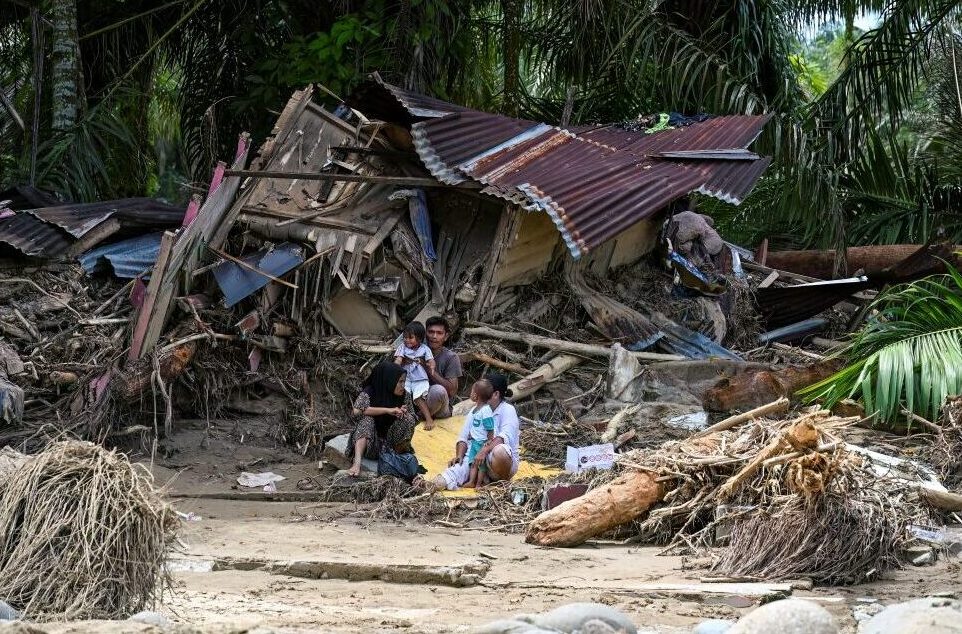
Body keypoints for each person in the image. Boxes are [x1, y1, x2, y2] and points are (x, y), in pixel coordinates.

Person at [433, 373, 520, 490]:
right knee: (451, 474)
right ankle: (431, 485)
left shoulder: (508, 410)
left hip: (497, 462)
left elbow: (504, 437)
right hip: (475, 458)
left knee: (500, 451)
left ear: (496, 394)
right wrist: (459, 456)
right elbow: (463, 438)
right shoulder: (475, 410)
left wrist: (484, 451)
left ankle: (501, 482)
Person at [345, 362, 417, 477]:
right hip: (371, 443)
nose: (403, 385)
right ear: (389, 380)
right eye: (400, 382)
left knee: (408, 419)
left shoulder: (404, 395)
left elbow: (413, 417)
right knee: (367, 420)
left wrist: (404, 412)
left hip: (390, 445)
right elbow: (357, 411)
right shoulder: (371, 391)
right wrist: (388, 410)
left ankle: (396, 458)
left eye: (404, 381)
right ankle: (356, 463)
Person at [394, 321, 436, 430]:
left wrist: (431, 367)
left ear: (419, 338)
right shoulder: (402, 347)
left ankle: (428, 418)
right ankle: (406, 420)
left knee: (418, 398)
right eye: (405, 337)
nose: (407, 340)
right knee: (404, 397)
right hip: (405, 377)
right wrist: (394, 369)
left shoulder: (425, 349)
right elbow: (398, 359)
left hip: (419, 377)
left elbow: (431, 360)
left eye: (410, 337)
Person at [423, 316, 462, 419]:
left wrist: (430, 370)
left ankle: (420, 416)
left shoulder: (451, 358)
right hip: (418, 401)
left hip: (439, 408)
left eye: (439, 333)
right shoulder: (416, 351)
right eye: (431, 332)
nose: (434, 336)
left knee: (438, 391)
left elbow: (452, 391)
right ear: (425, 333)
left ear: (446, 336)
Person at [463, 379, 496, 488]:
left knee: (481, 465)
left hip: (481, 442)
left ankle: (478, 483)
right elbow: (476, 425)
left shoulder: (486, 411)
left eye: (472, 391)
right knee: (473, 462)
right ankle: (472, 481)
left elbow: (490, 427)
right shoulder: (475, 409)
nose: (470, 393)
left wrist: (489, 440)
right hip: (474, 442)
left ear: (476, 396)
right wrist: (471, 434)